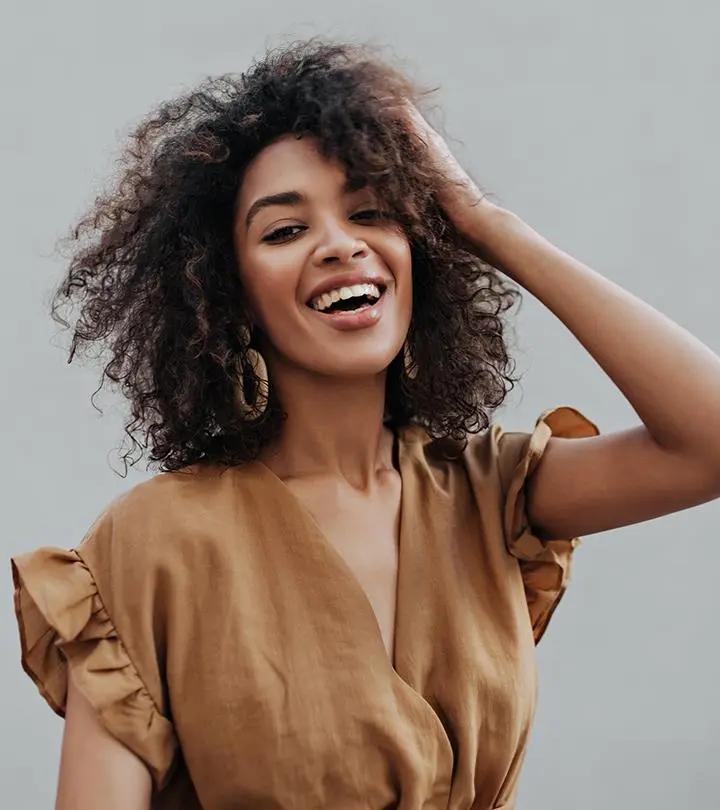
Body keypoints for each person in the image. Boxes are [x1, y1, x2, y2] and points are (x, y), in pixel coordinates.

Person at [10, 39, 720, 810]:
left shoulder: (487, 494)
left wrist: (485, 221)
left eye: (372, 213)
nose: (341, 244)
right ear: (227, 293)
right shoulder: (152, 545)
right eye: (285, 231)